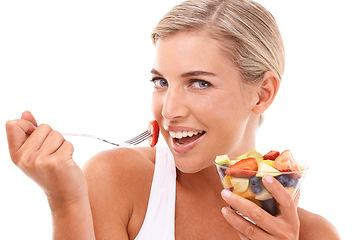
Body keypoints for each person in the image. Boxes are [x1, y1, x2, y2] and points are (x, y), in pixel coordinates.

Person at [6, 0, 340, 239]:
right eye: (161, 82)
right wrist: (64, 201)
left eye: (199, 83)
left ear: (262, 93)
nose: (168, 110)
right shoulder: (119, 179)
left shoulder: (313, 234)